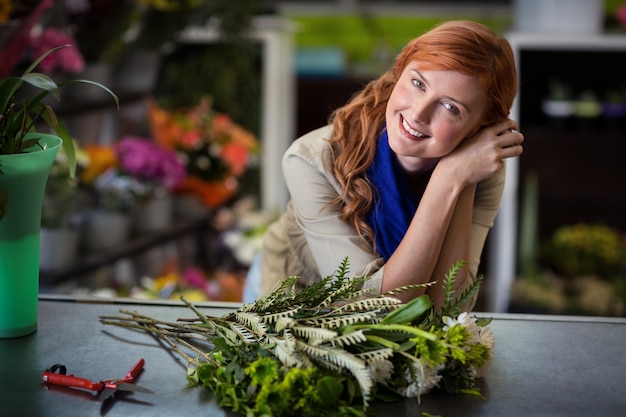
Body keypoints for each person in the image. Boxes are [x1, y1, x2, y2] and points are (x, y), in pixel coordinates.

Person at [246, 20, 523, 310]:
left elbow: (450, 308)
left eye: (451, 107)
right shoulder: (310, 160)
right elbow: (372, 310)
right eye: (418, 83)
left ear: (478, 129)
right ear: (399, 72)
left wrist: (458, 181)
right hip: (291, 295)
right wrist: (449, 178)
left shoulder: (477, 169)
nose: (418, 113)